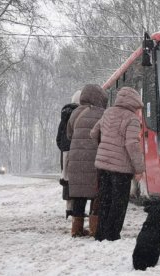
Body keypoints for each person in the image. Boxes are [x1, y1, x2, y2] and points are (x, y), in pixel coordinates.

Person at [90, 87, 145, 241]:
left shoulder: (107, 113)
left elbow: (93, 133)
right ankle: (112, 235)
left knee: (104, 200)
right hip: (121, 170)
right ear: (134, 103)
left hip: (102, 167)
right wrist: (139, 168)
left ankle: (100, 234)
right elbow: (132, 144)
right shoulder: (132, 119)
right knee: (118, 203)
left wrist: (104, 148)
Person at [66, 84, 107, 237]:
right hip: (94, 158)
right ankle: (94, 228)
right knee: (96, 194)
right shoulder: (101, 114)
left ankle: (76, 229)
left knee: (79, 195)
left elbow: (69, 135)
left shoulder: (75, 113)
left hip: (76, 159)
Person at [56, 90, 80, 219]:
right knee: (77, 181)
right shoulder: (79, 115)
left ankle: (68, 209)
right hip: (76, 152)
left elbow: (58, 138)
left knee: (67, 180)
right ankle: (76, 210)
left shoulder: (64, 116)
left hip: (65, 153)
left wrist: (64, 149)